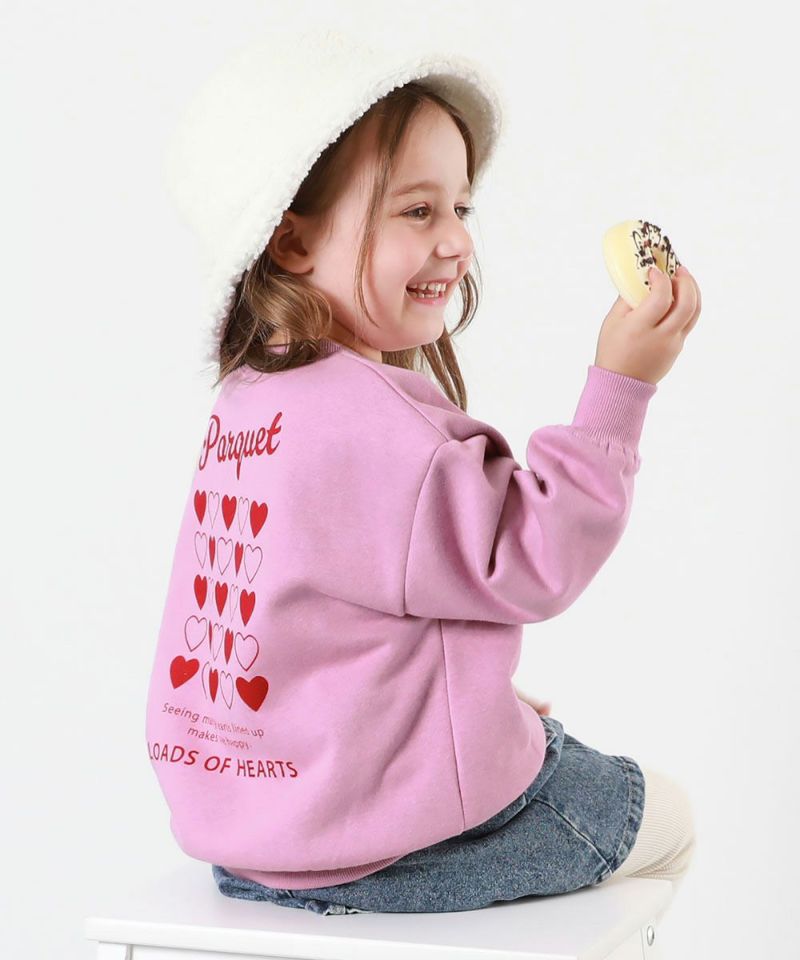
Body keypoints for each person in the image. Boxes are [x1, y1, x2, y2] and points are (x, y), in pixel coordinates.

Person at [146, 26, 702, 917]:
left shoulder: (249, 401)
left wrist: (461, 693)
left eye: (461, 210)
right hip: (391, 847)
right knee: (664, 817)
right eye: (417, 212)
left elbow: (307, 622)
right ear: (290, 242)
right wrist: (621, 387)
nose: (457, 244)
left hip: (248, 837)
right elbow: (533, 559)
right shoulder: (377, 424)